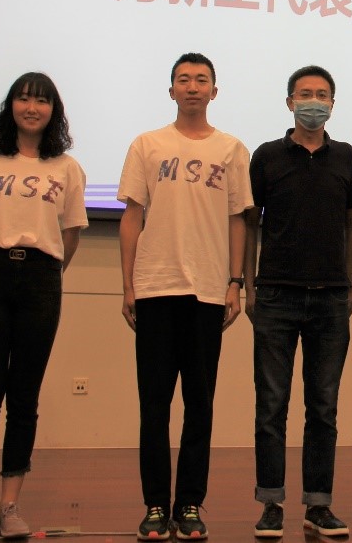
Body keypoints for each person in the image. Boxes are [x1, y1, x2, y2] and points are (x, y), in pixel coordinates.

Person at [118, 53, 252, 540]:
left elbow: (238, 219)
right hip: (155, 287)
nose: (192, 87)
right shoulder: (147, 144)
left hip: (208, 292)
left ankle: (190, 504)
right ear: (171, 89)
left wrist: (235, 282)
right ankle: (156, 505)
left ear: (214, 91)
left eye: (201, 80)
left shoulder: (232, 149)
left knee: (200, 404)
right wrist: (129, 284)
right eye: (183, 79)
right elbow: (132, 216)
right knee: (153, 405)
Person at [0, 73, 88, 541]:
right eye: (24, 98)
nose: (32, 108)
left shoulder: (67, 168)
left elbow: (70, 235)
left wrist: (42, 273)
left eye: (41, 101)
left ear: (54, 110)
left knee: (24, 397)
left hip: (41, 279)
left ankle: (10, 506)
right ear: (10, 105)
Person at [245, 65, 352, 538]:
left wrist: (350, 284)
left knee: (324, 407)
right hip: (275, 295)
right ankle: (271, 503)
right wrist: (248, 285)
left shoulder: (347, 157)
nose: (314, 101)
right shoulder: (266, 156)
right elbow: (250, 223)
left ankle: (318, 505)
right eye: (305, 94)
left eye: (322, 94)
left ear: (333, 103)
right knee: (271, 406)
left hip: (331, 299)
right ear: (289, 101)